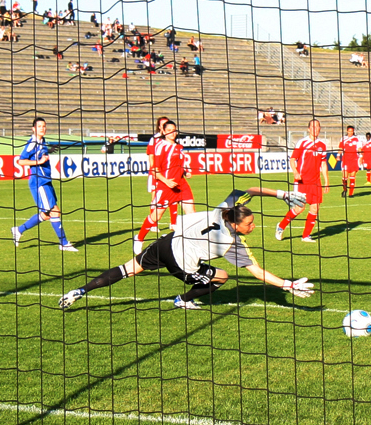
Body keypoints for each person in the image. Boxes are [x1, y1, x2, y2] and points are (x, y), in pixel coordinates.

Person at [59, 188, 312, 311]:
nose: (253, 226)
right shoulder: (231, 243)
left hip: (166, 243)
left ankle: (80, 290)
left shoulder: (223, 208)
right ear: (235, 224)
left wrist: (281, 194)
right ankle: (182, 300)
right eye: (249, 223)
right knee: (222, 276)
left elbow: (247, 190)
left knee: (129, 268)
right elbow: (257, 272)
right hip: (182, 262)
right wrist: (288, 285)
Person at [12, 117, 77, 250]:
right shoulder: (32, 144)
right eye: (40, 126)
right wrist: (39, 162)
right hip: (39, 181)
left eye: (44, 126)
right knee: (55, 211)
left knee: (46, 215)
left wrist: (49, 150)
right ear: (33, 129)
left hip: (46, 180)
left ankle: (18, 230)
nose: (42, 128)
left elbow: (40, 154)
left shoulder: (42, 142)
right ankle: (64, 243)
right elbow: (20, 161)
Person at [276, 118, 327, 242]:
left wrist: (326, 182)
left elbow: (324, 163)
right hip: (302, 181)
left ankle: (305, 236)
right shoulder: (302, 143)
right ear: (309, 129)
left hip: (316, 182)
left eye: (318, 126)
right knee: (300, 208)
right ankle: (281, 226)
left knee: (315, 208)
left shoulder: (322, 145)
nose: (316, 129)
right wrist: (296, 172)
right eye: (313, 127)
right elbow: (293, 159)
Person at [135, 117, 176, 249]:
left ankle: (173, 223)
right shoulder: (155, 139)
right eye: (163, 125)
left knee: (174, 197)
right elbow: (152, 157)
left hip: (169, 174)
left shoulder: (172, 140)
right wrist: (155, 171)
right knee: (155, 199)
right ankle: (153, 224)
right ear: (160, 127)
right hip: (157, 173)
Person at [339, 124, 361, 198]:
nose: (350, 133)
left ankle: (351, 194)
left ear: (353, 131)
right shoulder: (343, 139)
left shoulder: (357, 139)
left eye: (352, 131)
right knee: (344, 177)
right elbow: (340, 148)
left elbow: (359, 149)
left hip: (354, 160)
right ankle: (345, 190)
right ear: (347, 131)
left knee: (352, 176)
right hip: (345, 159)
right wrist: (338, 155)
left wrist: (361, 157)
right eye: (349, 131)